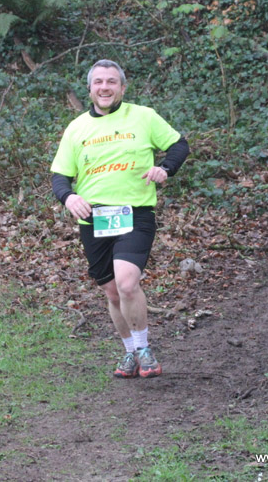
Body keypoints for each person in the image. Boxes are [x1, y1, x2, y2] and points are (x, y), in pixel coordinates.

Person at [50, 59, 189, 378]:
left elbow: (179, 145)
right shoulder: (76, 128)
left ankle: (143, 348)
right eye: (98, 82)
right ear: (90, 89)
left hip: (134, 213)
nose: (105, 87)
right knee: (112, 292)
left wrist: (165, 169)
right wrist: (69, 197)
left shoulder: (144, 116)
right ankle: (129, 352)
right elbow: (60, 175)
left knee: (127, 283)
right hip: (94, 219)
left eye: (111, 81)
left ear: (122, 88)